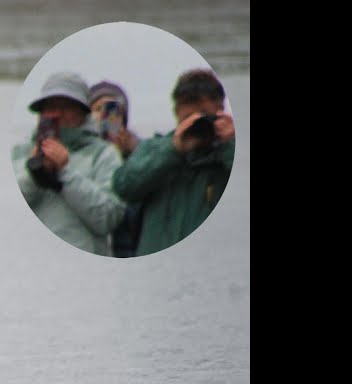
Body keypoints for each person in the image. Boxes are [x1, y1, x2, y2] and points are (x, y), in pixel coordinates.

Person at [112, 69, 235, 256]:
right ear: (176, 113)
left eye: (204, 117)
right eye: (188, 119)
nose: (196, 124)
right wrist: (173, 151)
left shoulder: (230, 154)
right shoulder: (155, 149)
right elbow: (123, 187)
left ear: (221, 112)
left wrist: (230, 144)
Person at [13, 71, 126, 257]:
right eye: (50, 107)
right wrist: (34, 173)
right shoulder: (21, 151)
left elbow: (108, 218)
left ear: (83, 113)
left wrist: (65, 174)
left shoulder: (104, 154)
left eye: (65, 107)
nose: (56, 114)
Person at [88, 80, 144, 257]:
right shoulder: (79, 155)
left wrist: (129, 156)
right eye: (98, 109)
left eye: (113, 110)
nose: (105, 116)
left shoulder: (141, 154)